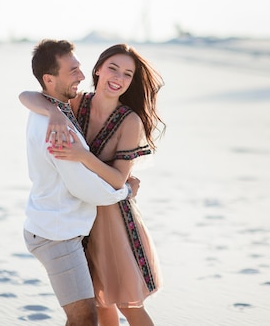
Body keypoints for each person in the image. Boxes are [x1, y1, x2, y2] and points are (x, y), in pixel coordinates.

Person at [19, 43, 165, 326]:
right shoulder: (75, 103)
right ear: (98, 70)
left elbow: (118, 179)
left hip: (112, 219)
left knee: (126, 303)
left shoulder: (129, 120)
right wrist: (54, 113)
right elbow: (27, 95)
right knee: (99, 302)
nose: (118, 78)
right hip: (80, 217)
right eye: (113, 68)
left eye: (127, 74)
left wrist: (83, 156)